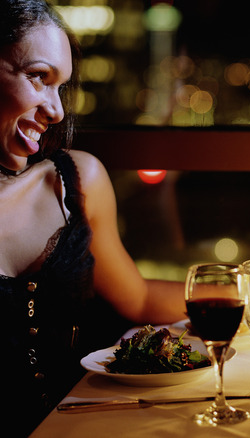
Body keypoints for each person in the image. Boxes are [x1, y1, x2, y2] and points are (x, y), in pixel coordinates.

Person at [0, 1, 186, 435]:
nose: (57, 110)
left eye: (60, 87)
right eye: (38, 78)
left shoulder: (75, 182)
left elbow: (137, 298)